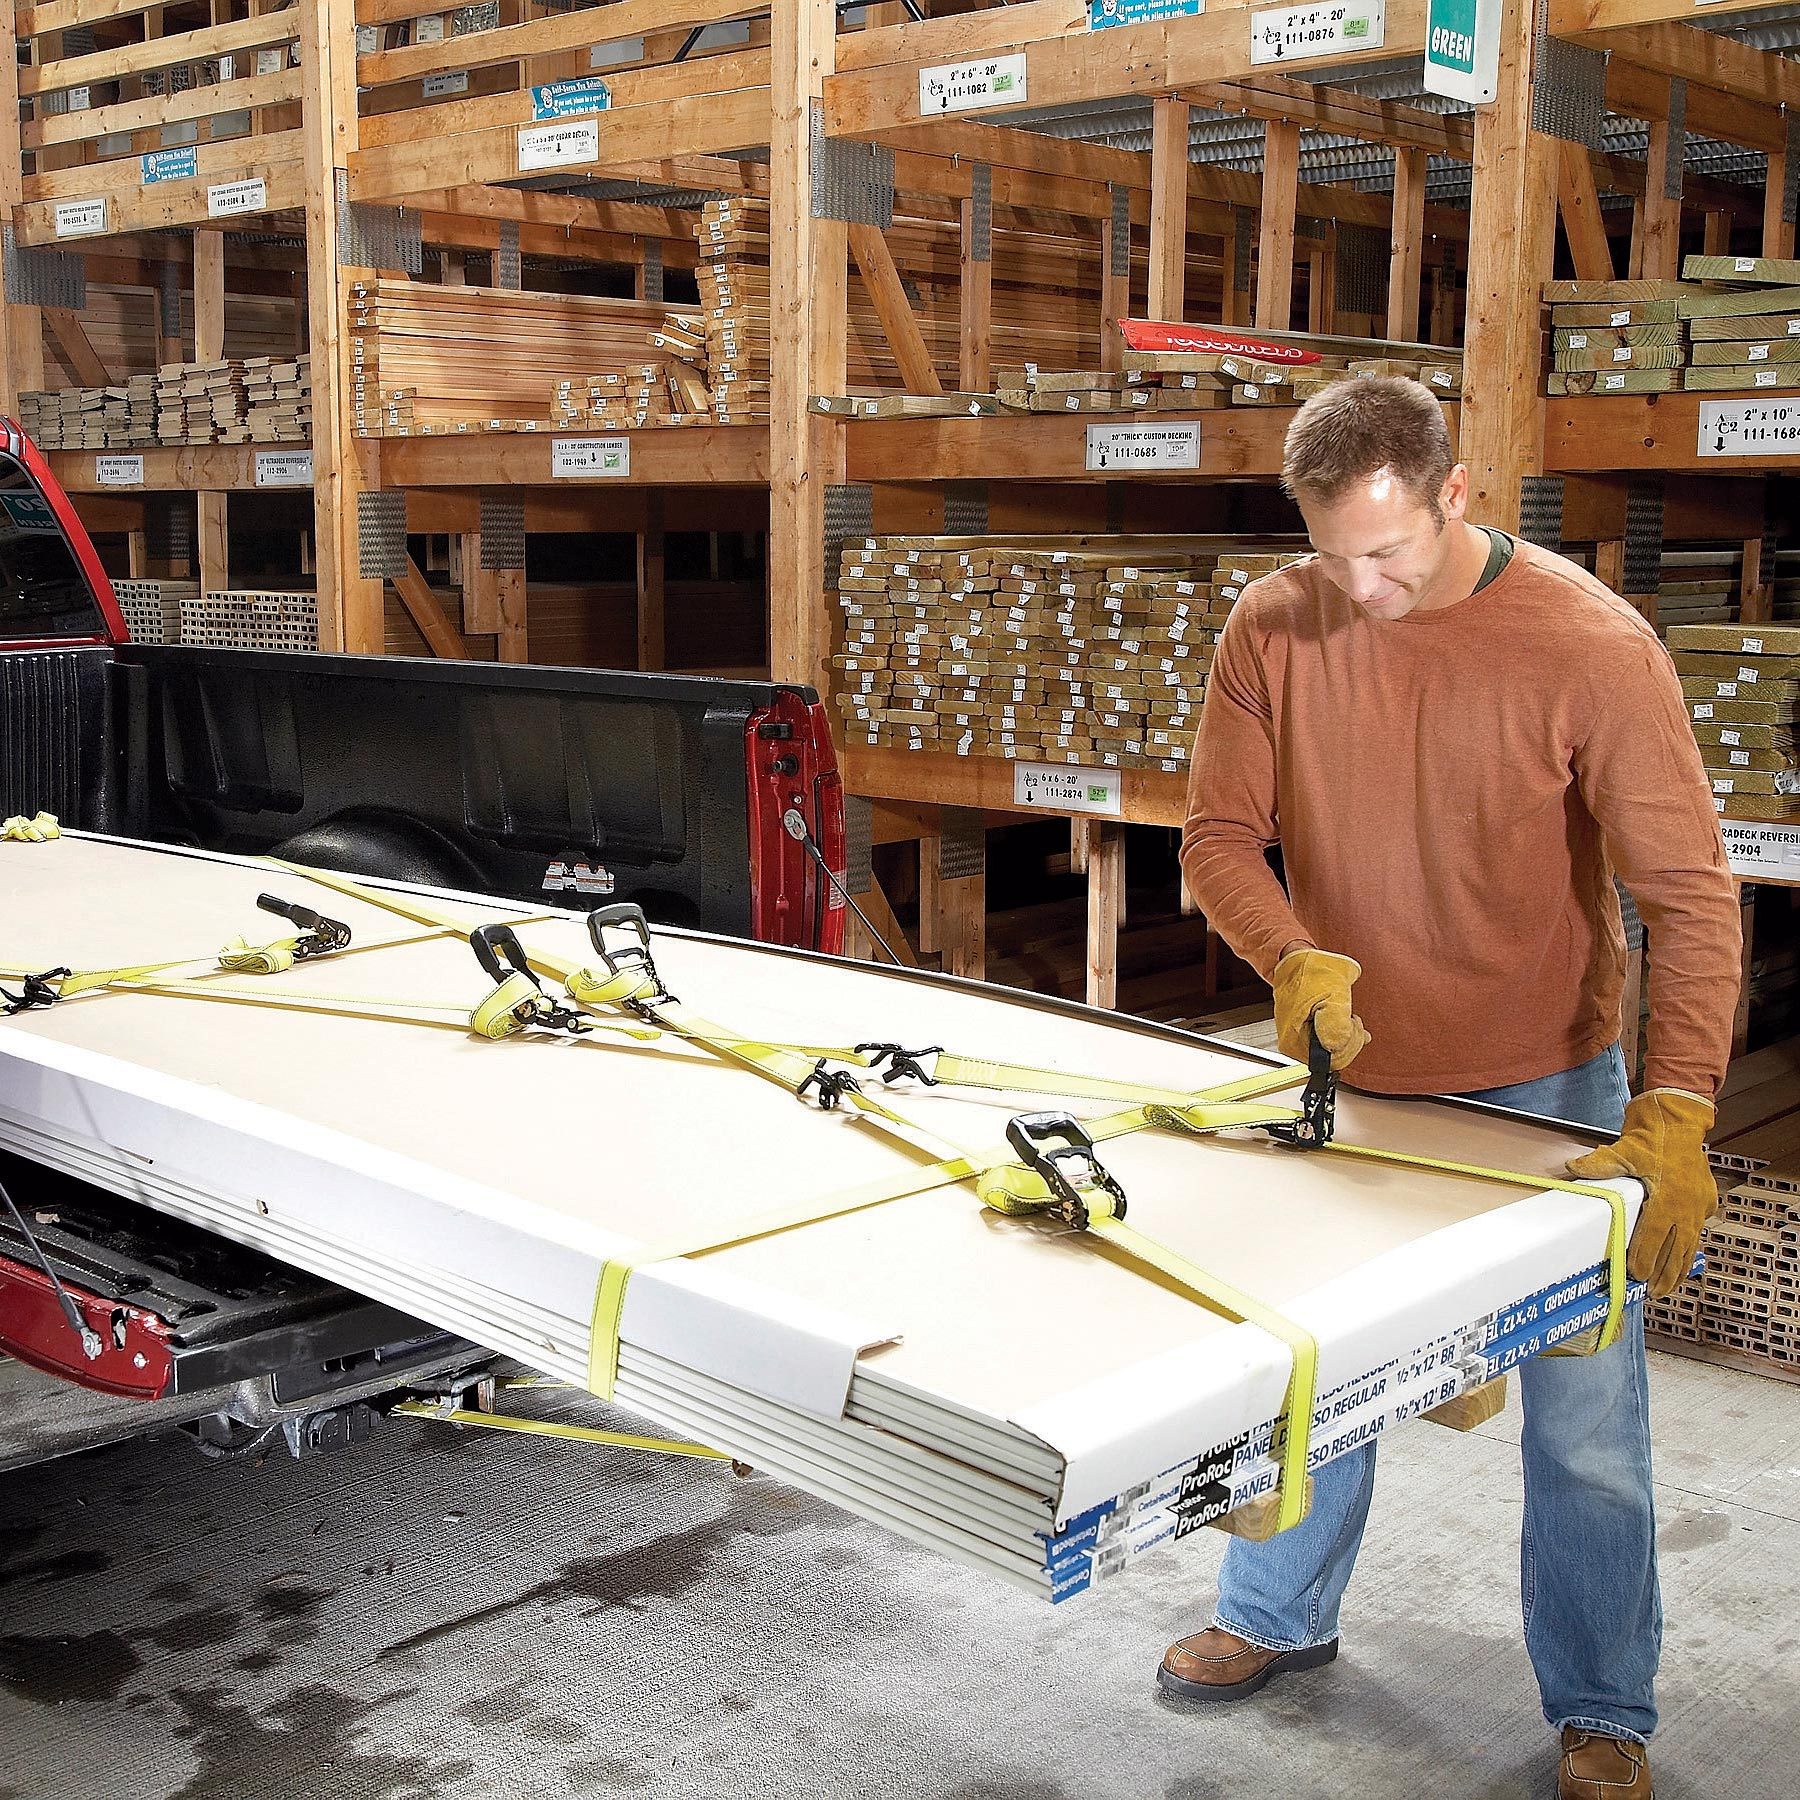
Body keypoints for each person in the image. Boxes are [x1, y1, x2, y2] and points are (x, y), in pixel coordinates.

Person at [1167, 377, 1740, 1800]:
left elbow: (1690, 894)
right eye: (1331, 556)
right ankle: (1274, 1614)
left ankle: (1603, 1704)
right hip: (1356, 1077)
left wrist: (1675, 1107)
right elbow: (1217, 836)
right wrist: (1291, 956)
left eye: (1388, 554)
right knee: (1317, 1369)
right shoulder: (1273, 622)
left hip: (1551, 1091)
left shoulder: (1589, 645)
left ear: (1457, 496)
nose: (1360, 590)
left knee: (1585, 1420)